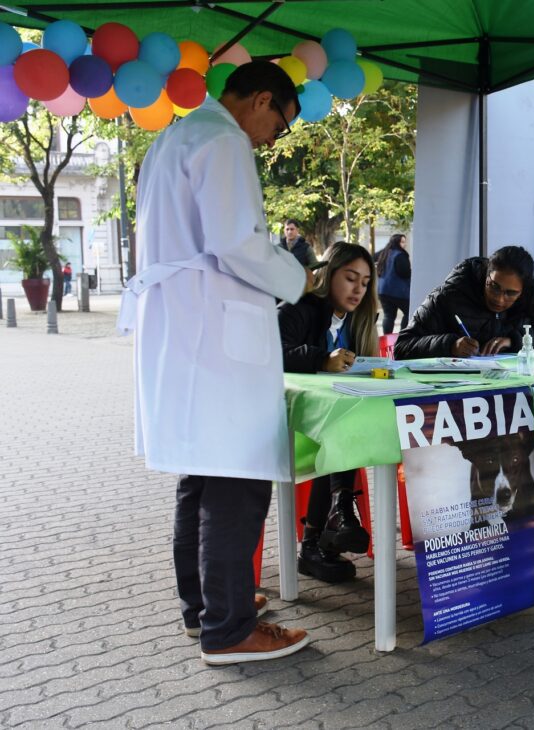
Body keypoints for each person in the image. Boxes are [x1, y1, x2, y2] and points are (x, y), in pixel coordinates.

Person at [123, 60, 312, 665]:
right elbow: (235, 243)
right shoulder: (223, 141)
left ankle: (203, 607)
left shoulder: (172, 137)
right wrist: (297, 276)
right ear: (260, 100)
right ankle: (229, 630)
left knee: (199, 474)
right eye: (278, 126)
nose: (270, 141)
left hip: (184, 328)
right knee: (235, 479)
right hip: (215, 333)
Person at [278, 242, 377, 581]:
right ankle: (327, 527)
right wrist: (320, 359)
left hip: (330, 423)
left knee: (345, 429)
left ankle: (331, 526)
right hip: (288, 421)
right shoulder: (299, 308)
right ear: (328, 274)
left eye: (365, 283)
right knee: (338, 434)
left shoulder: (358, 320)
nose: (358, 290)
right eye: (350, 278)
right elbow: (272, 347)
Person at [394, 245, 534, 359]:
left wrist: (516, 341)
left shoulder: (527, 301)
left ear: (522, 291)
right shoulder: (448, 296)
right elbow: (402, 347)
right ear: (486, 276)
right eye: (493, 286)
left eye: (511, 293)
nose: (499, 298)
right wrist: (450, 345)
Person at [375, 233, 411, 334]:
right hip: (398, 291)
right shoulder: (400, 255)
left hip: (383, 290)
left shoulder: (384, 252)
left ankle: (387, 338)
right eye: (402, 242)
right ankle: (402, 336)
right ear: (397, 242)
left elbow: (371, 257)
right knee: (409, 312)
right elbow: (404, 272)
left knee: (388, 316)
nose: (405, 244)